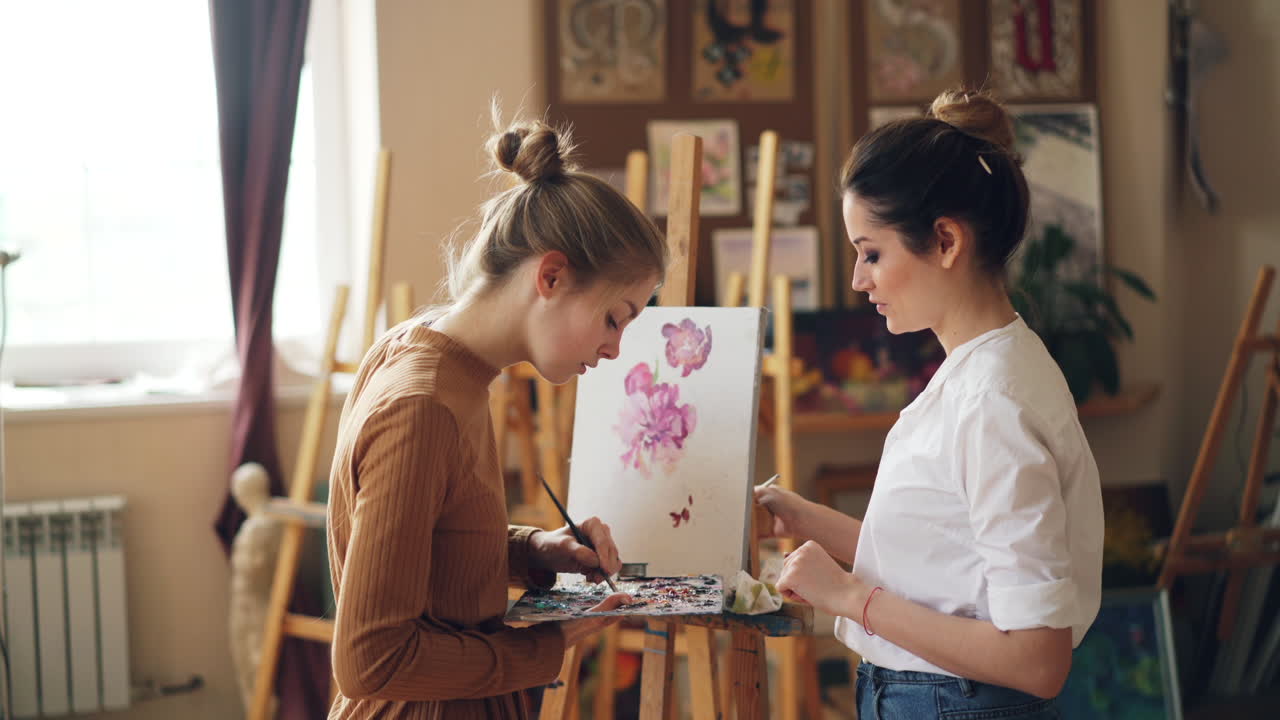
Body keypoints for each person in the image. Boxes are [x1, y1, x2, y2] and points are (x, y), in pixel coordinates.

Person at [758, 88, 1104, 719]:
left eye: (871, 253)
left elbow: (1037, 659)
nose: (860, 279)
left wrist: (849, 597)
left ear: (946, 241)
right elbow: (951, 567)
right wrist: (802, 516)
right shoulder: (984, 373)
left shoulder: (993, 402)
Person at [326, 112, 667, 719]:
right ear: (552, 275)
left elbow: (424, 548)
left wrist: (537, 550)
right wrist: (545, 646)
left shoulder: (429, 352)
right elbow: (370, 659)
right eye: (615, 318)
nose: (616, 349)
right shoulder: (424, 405)